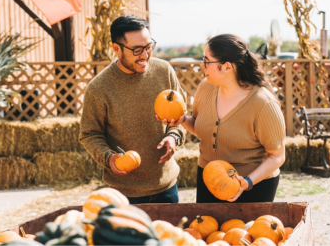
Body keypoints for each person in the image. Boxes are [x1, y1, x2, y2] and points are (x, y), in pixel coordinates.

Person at [164, 34, 286, 203]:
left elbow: (277, 156)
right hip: (208, 178)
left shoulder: (263, 103)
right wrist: (182, 119)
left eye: (207, 61)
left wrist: (248, 182)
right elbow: (200, 127)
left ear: (227, 67)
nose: (202, 66)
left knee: (244, 230)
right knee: (207, 229)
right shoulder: (205, 88)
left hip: (252, 185)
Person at [79, 15, 186, 204]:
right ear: (116, 49)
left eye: (148, 46)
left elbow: (180, 115)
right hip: (124, 194)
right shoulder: (99, 88)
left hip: (167, 188)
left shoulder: (165, 71)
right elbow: (90, 134)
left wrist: (174, 136)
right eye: (137, 49)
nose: (145, 55)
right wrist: (109, 158)